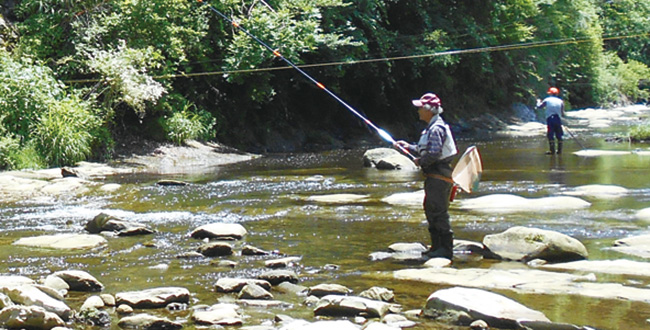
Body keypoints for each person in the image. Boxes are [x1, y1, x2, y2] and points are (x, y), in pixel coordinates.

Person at [393, 92, 458, 260]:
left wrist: (420, 161)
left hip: (439, 177)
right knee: (431, 209)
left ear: (429, 110)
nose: (418, 111)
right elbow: (428, 150)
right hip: (436, 176)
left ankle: (444, 250)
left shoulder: (436, 128)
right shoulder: (432, 127)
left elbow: (434, 153)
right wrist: (408, 147)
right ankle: (436, 247)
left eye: (421, 107)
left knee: (437, 211)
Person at [536, 87, 565, 155]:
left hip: (550, 119)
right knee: (559, 135)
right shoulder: (561, 101)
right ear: (557, 94)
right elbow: (563, 113)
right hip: (558, 119)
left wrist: (538, 102)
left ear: (550, 93)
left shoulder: (547, 100)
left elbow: (539, 107)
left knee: (550, 134)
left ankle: (552, 151)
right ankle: (559, 151)